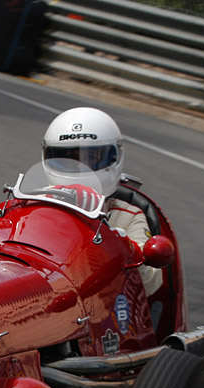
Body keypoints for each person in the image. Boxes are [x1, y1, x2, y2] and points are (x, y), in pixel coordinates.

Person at [40, 107, 162, 298]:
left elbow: (151, 284)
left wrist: (125, 248)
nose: (79, 167)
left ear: (115, 157)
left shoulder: (129, 216)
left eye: (89, 159)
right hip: (48, 296)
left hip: (106, 306)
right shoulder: (36, 206)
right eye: (67, 160)